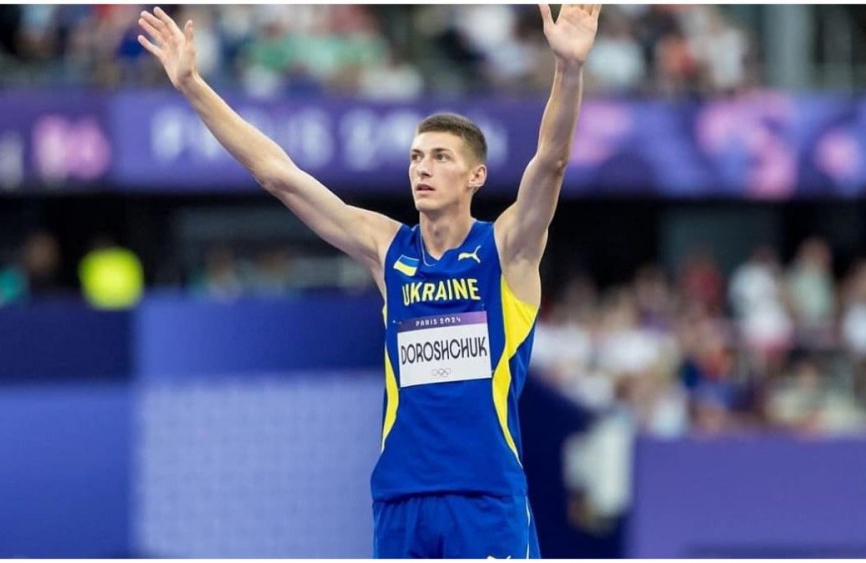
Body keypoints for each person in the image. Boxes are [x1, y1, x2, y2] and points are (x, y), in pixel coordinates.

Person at [137, 4, 600, 558]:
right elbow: (280, 176)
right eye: (416, 157)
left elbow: (550, 163)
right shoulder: (387, 249)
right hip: (400, 500)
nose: (422, 168)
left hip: (485, 499)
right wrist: (192, 86)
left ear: (476, 176)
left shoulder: (506, 249)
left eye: (441, 157)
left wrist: (568, 68)